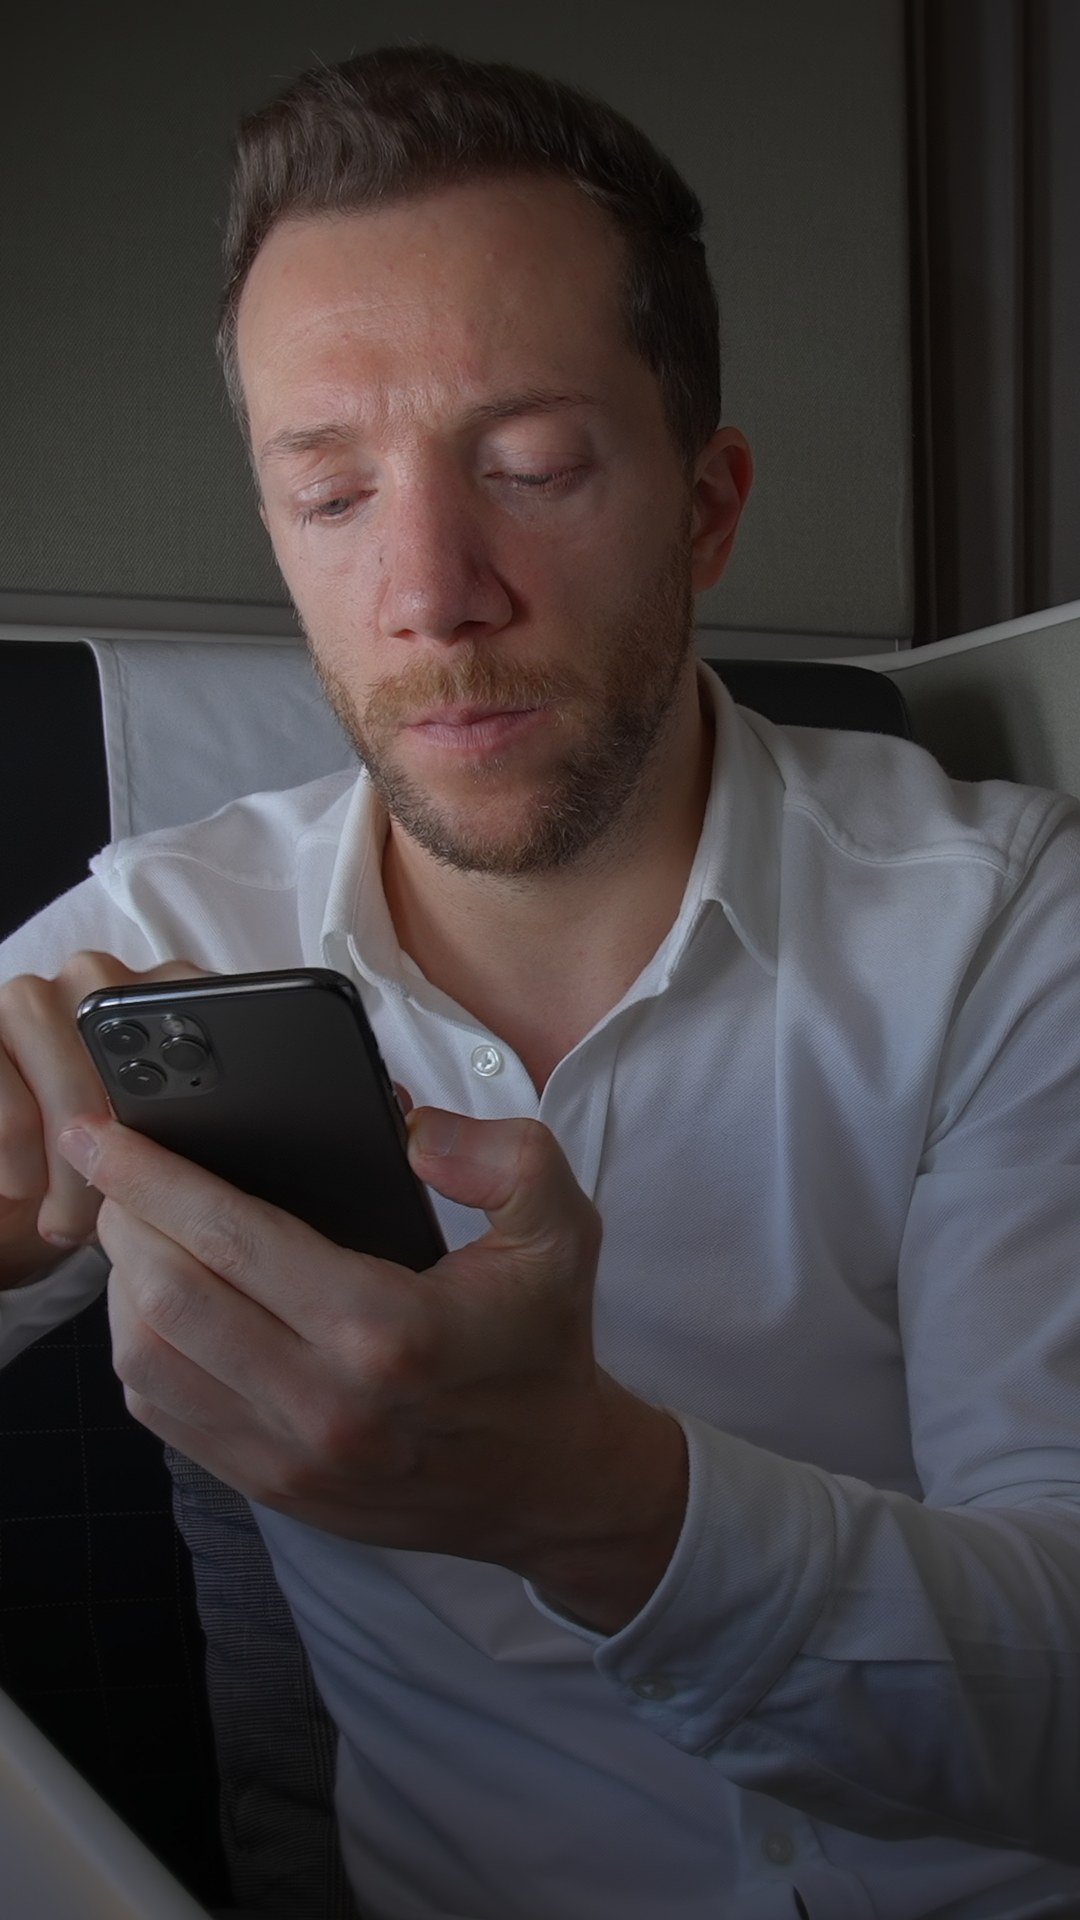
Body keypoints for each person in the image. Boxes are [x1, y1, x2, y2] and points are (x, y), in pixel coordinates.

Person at [2, 44, 1080, 1920]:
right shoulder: (159, 939)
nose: (432, 590)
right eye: (333, 495)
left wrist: (588, 1501)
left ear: (708, 505)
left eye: (532, 468)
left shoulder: (1004, 924)